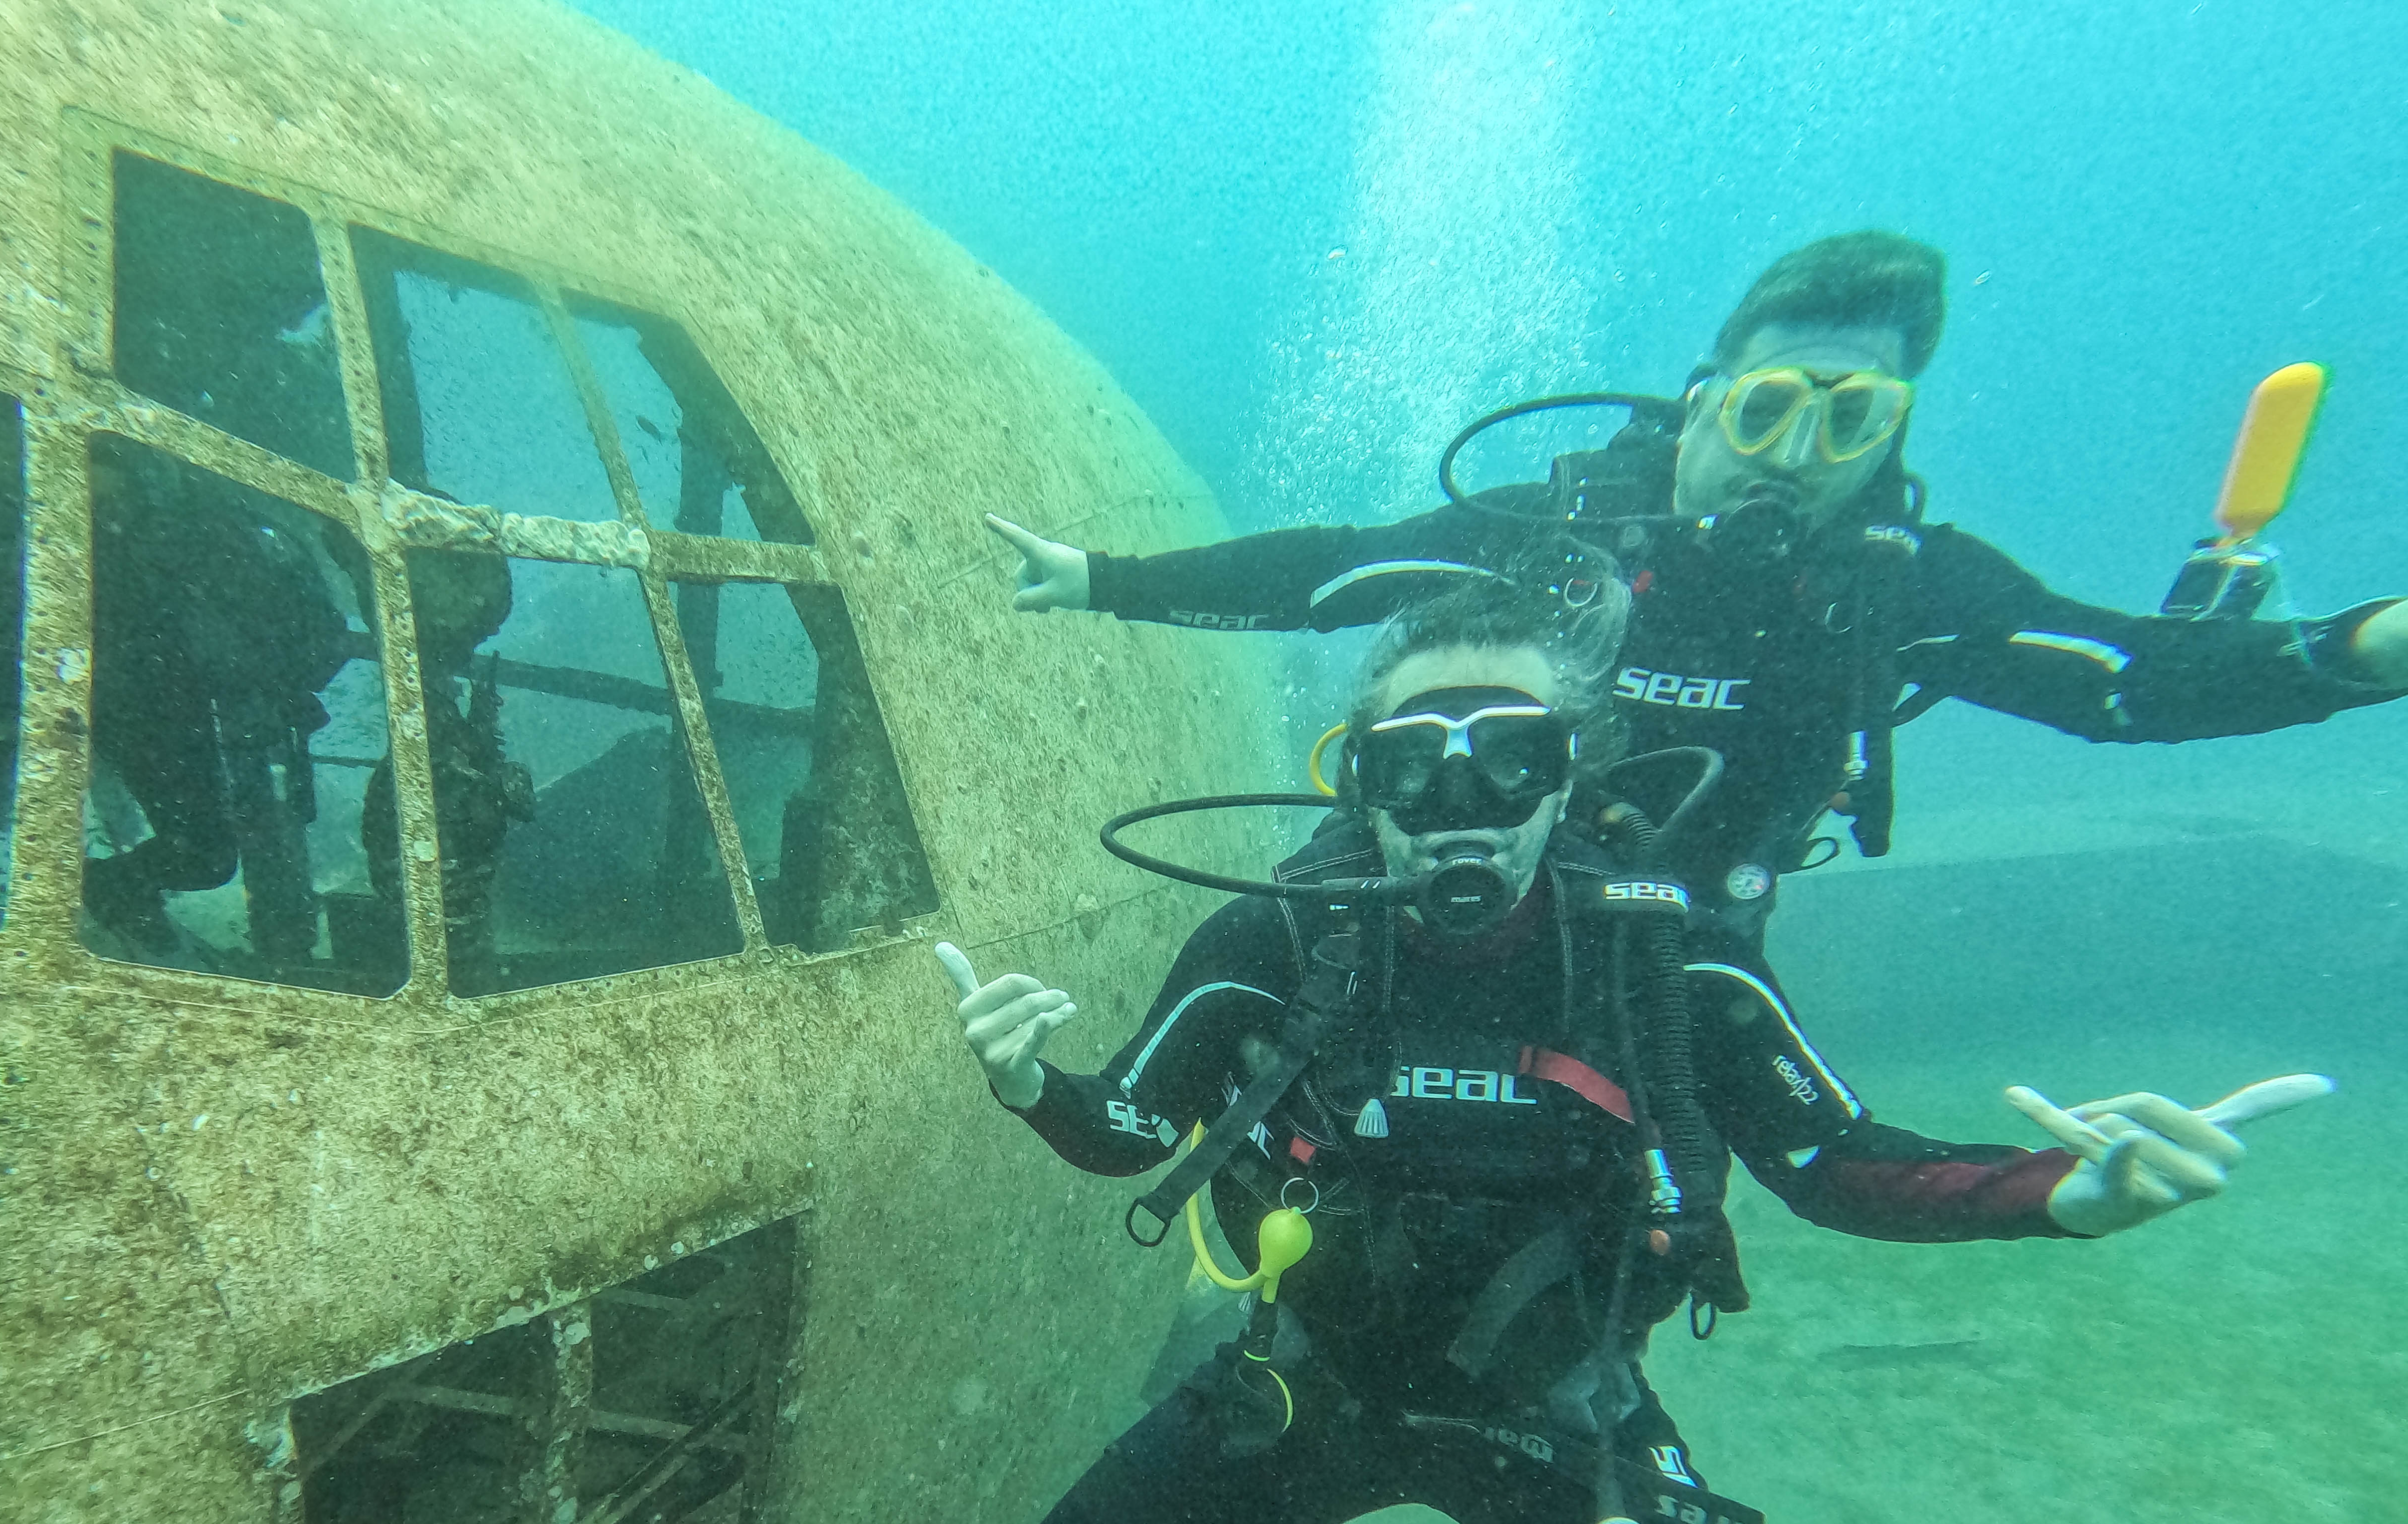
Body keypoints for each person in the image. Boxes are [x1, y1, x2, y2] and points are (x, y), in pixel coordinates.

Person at [932, 549, 2326, 1524]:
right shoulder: (1278, 940)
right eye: (1415, 768)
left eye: (1512, 758)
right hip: (1309, 1388)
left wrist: (2068, 1192)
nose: (1459, 809)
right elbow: (1131, 1132)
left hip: (1568, 1433)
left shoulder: (1673, 968)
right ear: (1361, 781)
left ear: (1568, 770)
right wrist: (1033, 1083)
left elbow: (1837, 1166)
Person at [983, 231, 2408, 949]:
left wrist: (2358, 653)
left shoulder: (1895, 586)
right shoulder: (1571, 527)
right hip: (1435, 883)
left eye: (1852, 422)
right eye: (1772, 407)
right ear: (1705, 400)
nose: (1797, 458)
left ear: (1894, 437)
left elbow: (2125, 686)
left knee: (1640, 1225)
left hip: (1680, 944)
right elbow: (1341, 573)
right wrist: (1107, 579)